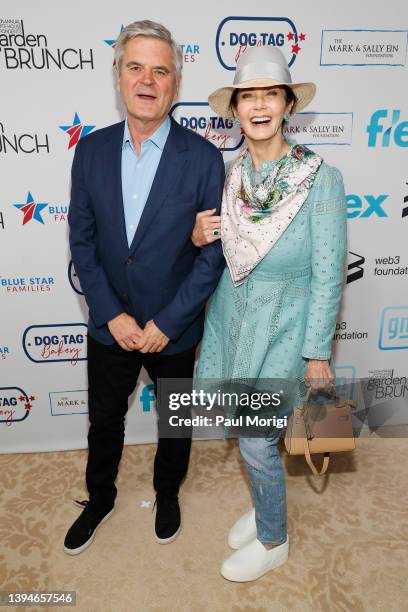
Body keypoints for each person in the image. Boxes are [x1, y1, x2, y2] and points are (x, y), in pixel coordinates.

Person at [64, 20, 225, 555]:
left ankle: (167, 493)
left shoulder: (203, 158)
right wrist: (110, 314)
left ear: (176, 83)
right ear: (118, 76)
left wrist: (166, 323)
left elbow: (212, 254)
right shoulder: (89, 151)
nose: (148, 80)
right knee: (104, 420)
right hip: (111, 324)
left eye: (161, 70)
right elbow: (82, 243)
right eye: (136, 67)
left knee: (175, 422)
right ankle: (100, 496)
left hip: (171, 328)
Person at [193, 46, 347, 581]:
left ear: (286, 104)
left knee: (257, 435)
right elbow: (223, 250)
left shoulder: (320, 177)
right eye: (248, 96)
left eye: (270, 95)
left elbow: (328, 271)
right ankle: (266, 503)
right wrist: (197, 235)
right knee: (244, 427)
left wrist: (316, 353)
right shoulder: (229, 174)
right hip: (234, 319)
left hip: (286, 323)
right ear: (235, 109)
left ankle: (273, 538)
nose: (259, 106)